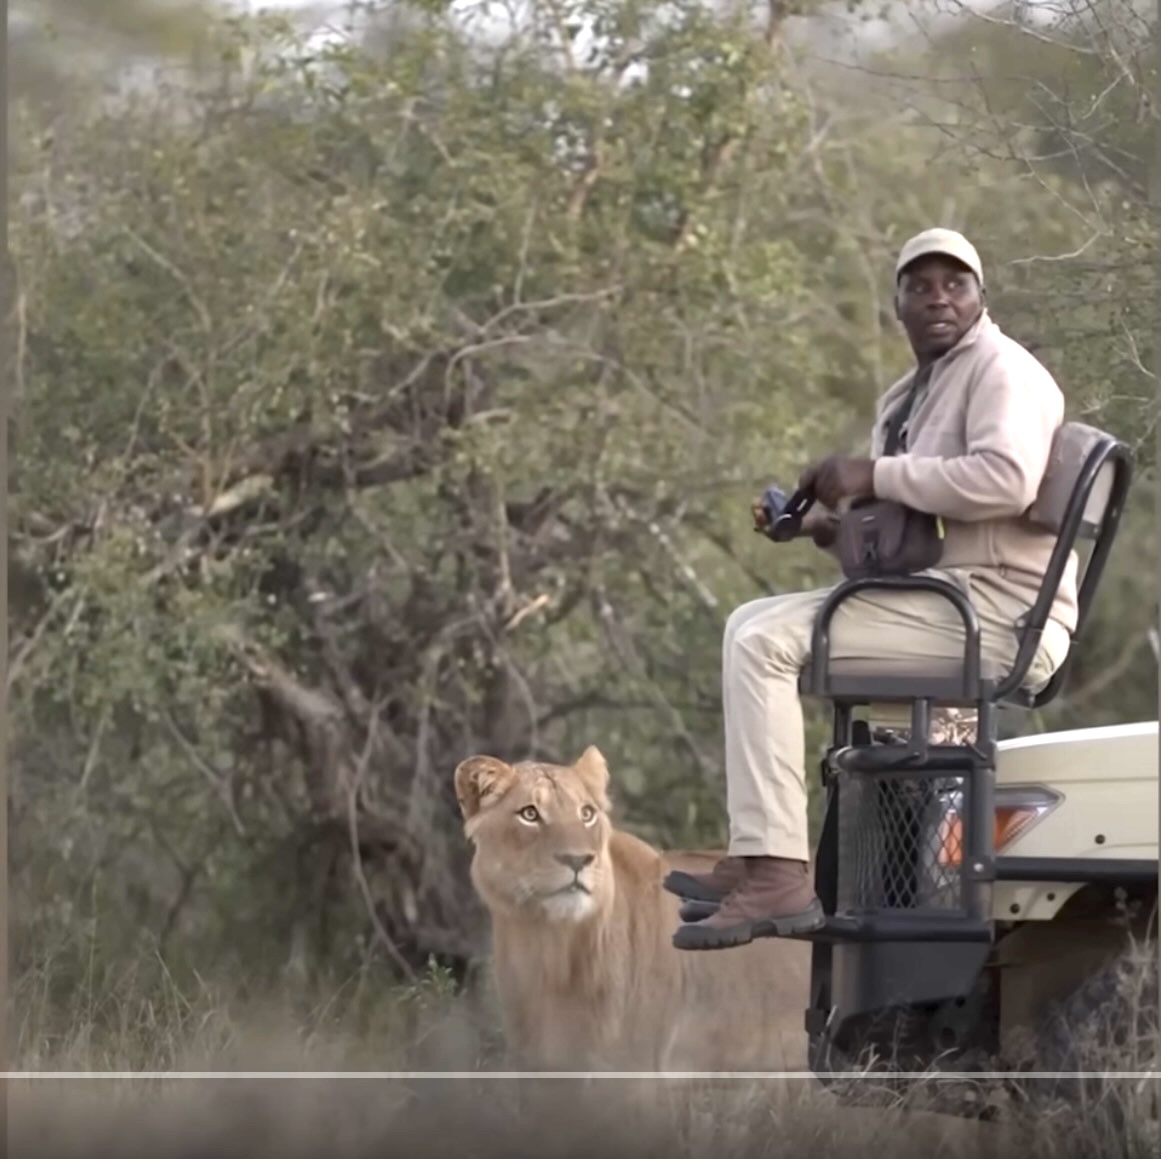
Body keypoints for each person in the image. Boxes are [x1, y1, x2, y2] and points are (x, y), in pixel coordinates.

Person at [667, 227, 1076, 951]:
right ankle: (762, 853)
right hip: (948, 601)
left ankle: (780, 875)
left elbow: (1004, 478)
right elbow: (906, 541)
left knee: (764, 641)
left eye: (954, 283)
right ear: (897, 307)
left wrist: (872, 474)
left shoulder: (1001, 371)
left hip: (998, 614)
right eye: (919, 286)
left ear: (981, 297)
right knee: (746, 622)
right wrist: (821, 528)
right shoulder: (909, 395)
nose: (937, 297)